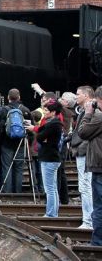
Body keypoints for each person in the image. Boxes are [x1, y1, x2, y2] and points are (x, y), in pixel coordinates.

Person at [28, 99, 64, 218]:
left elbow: (40, 137)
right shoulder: (55, 123)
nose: (44, 111)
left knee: (49, 188)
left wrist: (42, 137)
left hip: (49, 157)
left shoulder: (53, 124)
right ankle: (54, 212)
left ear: (53, 112)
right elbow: (42, 136)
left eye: (47, 110)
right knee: (52, 187)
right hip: (52, 157)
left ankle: (51, 213)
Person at [0, 88, 32, 193]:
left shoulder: (4, 110)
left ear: (8, 98)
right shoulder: (26, 110)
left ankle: (7, 192)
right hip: (20, 144)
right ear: (19, 97)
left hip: (6, 144)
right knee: (19, 169)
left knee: (7, 167)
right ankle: (18, 191)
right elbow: (31, 128)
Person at [78, 85, 102, 245]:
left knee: (99, 206)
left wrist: (87, 113)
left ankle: (97, 242)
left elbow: (83, 132)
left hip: (99, 165)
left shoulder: (99, 117)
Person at [70, 85, 94, 229]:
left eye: (78, 94)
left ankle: (88, 221)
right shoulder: (83, 111)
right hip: (82, 151)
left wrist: (80, 148)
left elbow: (88, 132)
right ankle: (88, 219)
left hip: (84, 153)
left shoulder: (90, 111)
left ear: (86, 95)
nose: (76, 96)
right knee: (85, 186)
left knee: (86, 186)